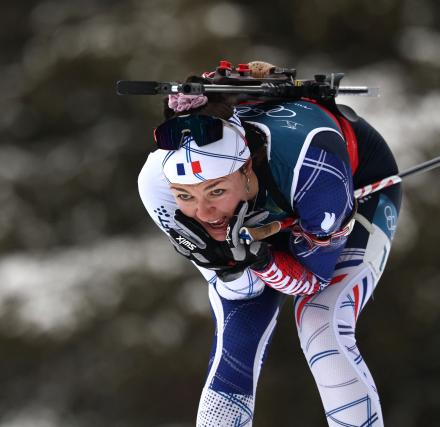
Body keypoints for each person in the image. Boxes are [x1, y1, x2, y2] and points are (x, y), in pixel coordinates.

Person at [137, 61, 401, 427]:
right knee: (240, 317)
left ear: (247, 169)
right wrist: (234, 264)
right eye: (185, 195)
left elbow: (312, 279)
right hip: (266, 210)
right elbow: (242, 289)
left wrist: (263, 261)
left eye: (216, 190)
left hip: (354, 189)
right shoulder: (155, 185)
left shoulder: (314, 172)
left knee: (319, 321)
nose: (203, 212)